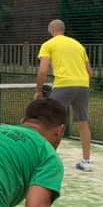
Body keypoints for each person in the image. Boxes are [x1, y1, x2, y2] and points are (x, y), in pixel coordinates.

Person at [35, 19, 95, 171]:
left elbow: (42, 71)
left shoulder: (48, 44)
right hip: (83, 85)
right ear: (63, 29)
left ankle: (46, 160)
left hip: (63, 84)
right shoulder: (78, 45)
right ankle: (86, 162)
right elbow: (90, 72)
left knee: (51, 122)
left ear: (51, 30)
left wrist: (38, 90)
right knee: (82, 123)